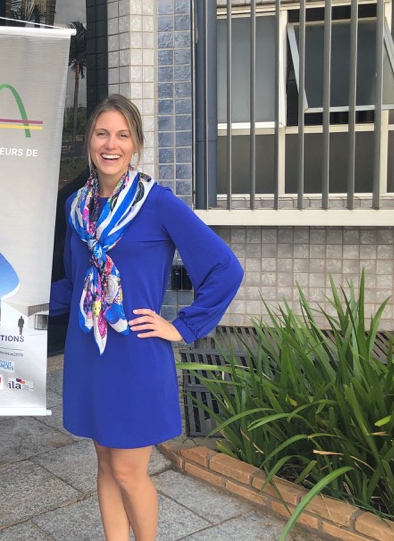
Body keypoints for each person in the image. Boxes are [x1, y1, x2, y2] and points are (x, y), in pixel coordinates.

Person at [49, 94, 242, 541]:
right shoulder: (77, 207)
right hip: (90, 351)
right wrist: (15, 301)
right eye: (102, 133)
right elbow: (74, 283)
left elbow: (224, 268)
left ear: (135, 144)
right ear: (89, 142)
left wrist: (184, 325)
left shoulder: (157, 203)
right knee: (104, 464)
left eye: (122, 135)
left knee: (129, 469)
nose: (110, 144)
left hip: (136, 351)